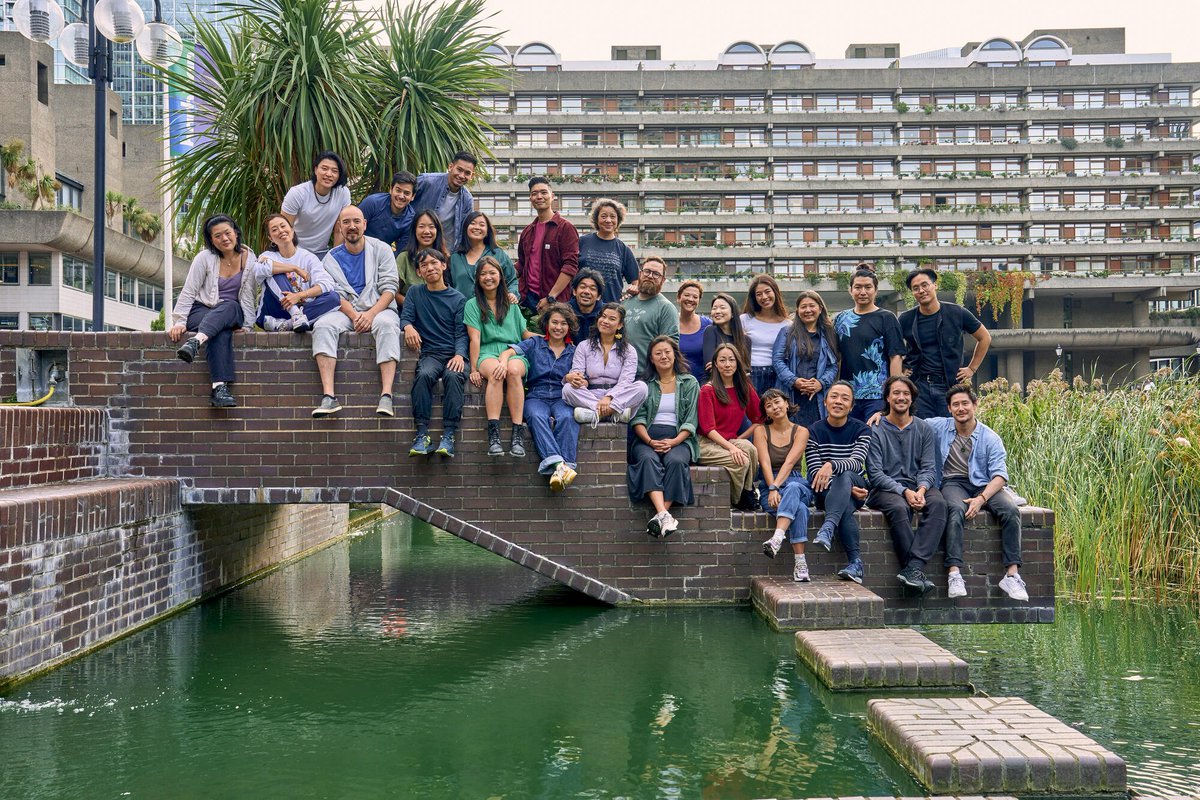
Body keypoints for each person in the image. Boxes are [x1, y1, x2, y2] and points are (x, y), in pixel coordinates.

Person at [928, 383, 1029, 601]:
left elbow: (1000, 476)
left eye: (965, 403)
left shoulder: (990, 437)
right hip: (953, 481)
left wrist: (981, 499)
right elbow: (910, 422)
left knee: (1011, 511)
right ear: (949, 409)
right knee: (954, 509)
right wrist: (881, 414)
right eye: (955, 405)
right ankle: (954, 573)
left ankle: (1012, 575)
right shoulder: (939, 427)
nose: (960, 408)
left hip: (985, 485)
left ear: (975, 405)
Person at [311, 205, 402, 419]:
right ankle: (329, 397)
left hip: (380, 309)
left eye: (356, 221)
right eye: (346, 222)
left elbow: (390, 288)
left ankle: (386, 396)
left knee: (388, 325)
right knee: (322, 326)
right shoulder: (331, 258)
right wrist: (354, 316)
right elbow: (333, 294)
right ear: (340, 228)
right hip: (346, 312)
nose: (352, 226)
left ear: (365, 224)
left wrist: (370, 314)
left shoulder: (381, 249)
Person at [866, 376, 947, 595]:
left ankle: (913, 568)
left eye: (906, 394)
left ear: (912, 399)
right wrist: (904, 491)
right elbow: (874, 473)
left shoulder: (924, 429)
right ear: (887, 398)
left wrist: (920, 490)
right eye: (896, 393)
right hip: (885, 490)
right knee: (899, 507)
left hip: (918, 485)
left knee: (939, 503)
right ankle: (915, 569)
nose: (901, 397)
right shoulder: (875, 429)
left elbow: (930, 467)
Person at [169, 214, 258, 408]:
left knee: (229, 305)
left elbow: (249, 294)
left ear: (235, 232)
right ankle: (219, 389)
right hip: (202, 311)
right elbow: (189, 290)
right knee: (219, 330)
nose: (224, 238)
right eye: (217, 236)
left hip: (232, 311)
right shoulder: (204, 258)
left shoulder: (250, 259)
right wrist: (180, 321)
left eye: (227, 233)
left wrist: (249, 326)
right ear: (211, 240)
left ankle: (195, 342)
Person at [497, 304, 580, 491]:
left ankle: (562, 469)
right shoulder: (535, 344)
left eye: (563, 323)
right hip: (537, 394)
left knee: (568, 417)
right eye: (554, 322)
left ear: (569, 327)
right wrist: (503, 361)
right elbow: (510, 351)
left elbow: (585, 376)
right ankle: (561, 465)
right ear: (547, 324)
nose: (558, 327)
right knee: (535, 416)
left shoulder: (574, 351)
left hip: (562, 396)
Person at [628, 336, 700, 538]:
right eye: (658, 353)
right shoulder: (644, 385)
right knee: (647, 459)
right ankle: (664, 515)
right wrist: (650, 441)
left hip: (679, 439)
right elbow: (638, 419)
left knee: (677, 462)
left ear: (675, 354)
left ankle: (661, 514)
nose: (663, 356)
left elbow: (691, 419)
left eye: (667, 352)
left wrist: (675, 441)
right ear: (651, 358)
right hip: (647, 439)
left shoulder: (689, 383)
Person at [399, 248, 468, 457]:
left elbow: (462, 333)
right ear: (419, 272)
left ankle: (449, 434)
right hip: (430, 354)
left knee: (454, 376)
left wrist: (459, 355)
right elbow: (406, 317)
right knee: (424, 375)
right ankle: (422, 434)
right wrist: (408, 327)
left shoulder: (458, 299)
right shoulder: (415, 293)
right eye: (424, 265)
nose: (430, 268)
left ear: (443, 265)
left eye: (434, 263)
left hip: (453, 353)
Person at [901, 267, 992, 419]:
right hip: (919, 386)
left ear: (935, 285)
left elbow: (985, 337)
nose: (921, 290)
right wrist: (901, 369)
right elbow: (892, 348)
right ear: (912, 292)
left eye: (925, 285)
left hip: (949, 385)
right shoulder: (906, 319)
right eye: (915, 288)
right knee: (923, 432)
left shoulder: (957, 313)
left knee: (951, 431)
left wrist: (971, 368)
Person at [466, 256, 535, 458]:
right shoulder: (472, 304)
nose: (488, 277)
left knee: (513, 371)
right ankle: (494, 435)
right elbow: (475, 339)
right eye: (483, 274)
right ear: (478, 279)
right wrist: (473, 369)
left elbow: (524, 334)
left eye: (492, 273)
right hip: (486, 351)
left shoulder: (511, 303)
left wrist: (551, 337)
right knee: (496, 373)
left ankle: (517, 434)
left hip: (513, 350)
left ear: (500, 276)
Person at [805, 381, 871, 583]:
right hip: (831, 492)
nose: (838, 402)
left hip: (855, 483)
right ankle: (856, 564)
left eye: (845, 398)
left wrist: (831, 465)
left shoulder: (862, 430)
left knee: (845, 476)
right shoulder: (813, 431)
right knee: (844, 503)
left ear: (851, 406)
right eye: (834, 397)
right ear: (825, 402)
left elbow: (856, 462)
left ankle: (828, 527)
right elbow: (816, 474)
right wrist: (845, 490)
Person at [754, 389, 815, 582]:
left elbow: (790, 462)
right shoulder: (760, 431)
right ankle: (800, 563)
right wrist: (771, 486)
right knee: (801, 509)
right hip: (769, 482)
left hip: (796, 481)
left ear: (787, 404)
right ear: (766, 412)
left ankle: (777, 537)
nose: (774, 407)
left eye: (777, 402)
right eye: (769, 405)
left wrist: (776, 487)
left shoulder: (802, 431)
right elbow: (764, 462)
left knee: (793, 489)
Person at [834, 265, 905, 422]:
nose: (863, 292)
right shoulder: (841, 319)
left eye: (868, 287)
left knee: (875, 437)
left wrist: (895, 391)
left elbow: (896, 356)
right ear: (850, 290)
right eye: (858, 287)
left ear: (876, 290)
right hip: (847, 395)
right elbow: (836, 356)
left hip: (878, 394)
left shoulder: (886, 317)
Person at [698, 343, 762, 509]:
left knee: (751, 449)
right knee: (741, 461)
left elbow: (759, 418)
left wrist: (738, 440)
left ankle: (747, 492)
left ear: (737, 363)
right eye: (723, 360)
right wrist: (732, 448)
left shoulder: (744, 387)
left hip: (728, 441)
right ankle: (737, 499)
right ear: (716, 364)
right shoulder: (708, 390)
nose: (727, 364)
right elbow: (708, 429)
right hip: (705, 443)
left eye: (731, 360)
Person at [562, 303, 648, 425]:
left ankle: (595, 414)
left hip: (618, 395)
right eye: (603, 316)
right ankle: (614, 412)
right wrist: (575, 378)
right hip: (590, 395)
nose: (605, 321)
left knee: (641, 388)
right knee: (568, 389)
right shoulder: (583, 346)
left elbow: (626, 381)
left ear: (620, 325)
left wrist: (609, 397)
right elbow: (578, 372)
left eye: (612, 319)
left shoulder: (629, 350)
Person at [253, 214, 341, 332]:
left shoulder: (308, 257)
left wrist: (299, 296)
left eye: (283, 226)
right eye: (274, 230)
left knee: (333, 298)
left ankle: (288, 324)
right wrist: (294, 268)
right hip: (274, 311)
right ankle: (295, 314)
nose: (280, 231)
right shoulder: (268, 256)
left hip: (303, 312)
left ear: (292, 230)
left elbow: (327, 283)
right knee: (274, 270)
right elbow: (259, 269)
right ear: (271, 238)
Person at [772, 290, 840, 427]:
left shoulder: (828, 334)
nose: (807, 310)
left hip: (817, 396)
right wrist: (795, 381)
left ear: (820, 308)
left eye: (812, 306)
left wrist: (821, 383)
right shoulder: (787, 332)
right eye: (803, 307)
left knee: (816, 434)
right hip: (790, 392)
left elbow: (833, 365)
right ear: (797, 310)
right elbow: (777, 360)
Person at [516, 177, 579, 312]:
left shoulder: (565, 228)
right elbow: (521, 264)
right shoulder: (527, 231)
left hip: (555, 301)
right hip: (528, 298)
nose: (539, 197)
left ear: (552, 196)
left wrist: (551, 297)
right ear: (530, 198)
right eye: (534, 193)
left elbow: (570, 266)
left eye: (544, 192)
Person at [281, 151, 352, 258]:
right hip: (296, 251)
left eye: (334, 171)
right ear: (315, 170)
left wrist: (335, 258)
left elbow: (339, 229)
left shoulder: (343, 193)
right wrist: (290, 257)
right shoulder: (297, 193)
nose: (329, 174)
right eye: (324, 168)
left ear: (339, 175)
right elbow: (284, 228)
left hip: (322, 252)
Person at [411, 151, 477, 252]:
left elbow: (463, 232)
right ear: (450, 167)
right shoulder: (426, 181)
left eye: (467, 173)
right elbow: (403, 199)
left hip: (441, 251)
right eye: (459, 170)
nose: (462, 175)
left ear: (472, 176)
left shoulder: (467, 200)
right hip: (414, 246)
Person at [578, 198, 639, 304]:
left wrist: (630, 294)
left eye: (613, 216)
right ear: (596, 219)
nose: (608, 220)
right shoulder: (582, 242)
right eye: (603, 216)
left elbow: (636, 282)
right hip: (581, 307)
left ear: (618, 220)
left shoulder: (623, 249)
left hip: (610, 310)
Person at [622, 256, 679, 368]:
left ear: (663, 280)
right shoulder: (625, 302)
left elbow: (670, 348)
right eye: (647, 271)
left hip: (648, 376)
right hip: (620, 375)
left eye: (656, 274)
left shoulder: (666, 308)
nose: (650, 276)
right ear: (640, 274)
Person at [741, 274, 791, 397]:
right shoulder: (745, 319)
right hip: (750, 375)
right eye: (759, 294)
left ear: (775, 292)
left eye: (767, 291)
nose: (764, 297)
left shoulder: (788, 324)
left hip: (777, 375)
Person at [449, 211, 518, 301]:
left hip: (493, 311)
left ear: (487, 232)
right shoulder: (455, 258)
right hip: (460, 311)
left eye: (482, 225)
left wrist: (512, 293)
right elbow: (447, 287)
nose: (477, 227)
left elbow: (512, 281)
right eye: (473, 223)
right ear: (465, 228)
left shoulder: (498, 254)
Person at [394, 210, 449, 307]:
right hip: (411, 312)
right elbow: (394, 293)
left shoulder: (445, 257)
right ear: (414, 230)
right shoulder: (404, 258)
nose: (427, 231)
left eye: (431, 227)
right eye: (421, 226)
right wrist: (417, 306)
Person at [358, 171, 417, 253]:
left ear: (412, 197)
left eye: (406, 193)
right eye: (398, 190)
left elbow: (402, 251)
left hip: (382, 255)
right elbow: (353, 227)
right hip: (359, 248)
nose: (401, 196)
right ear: (391, 189)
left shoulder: (410, 219)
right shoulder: (372, 203)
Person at [701, 293, 750, 378]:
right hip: (714, 384)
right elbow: (710, 366)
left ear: (733, 313)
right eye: (714, 308)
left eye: (722, 308)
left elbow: (746, 369)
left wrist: (722, 365)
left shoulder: (746, 340)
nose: (717, 311)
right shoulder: (710, 331)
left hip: (738, 385)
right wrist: (736, 366)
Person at [677, 280, 712, 383]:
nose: (690, 299)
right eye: (687, 295)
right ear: (678, 298)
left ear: (699, 301)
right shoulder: (669, 323)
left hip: (702, 383)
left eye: (695, 297)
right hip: (676, 383)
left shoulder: (708, 325)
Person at [567, 269, 605, 343]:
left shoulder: (606, 314)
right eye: (583, 287)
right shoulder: (563, 311)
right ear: (574, 291)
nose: (587, 292)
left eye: (592, 289)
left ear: (599, 296)